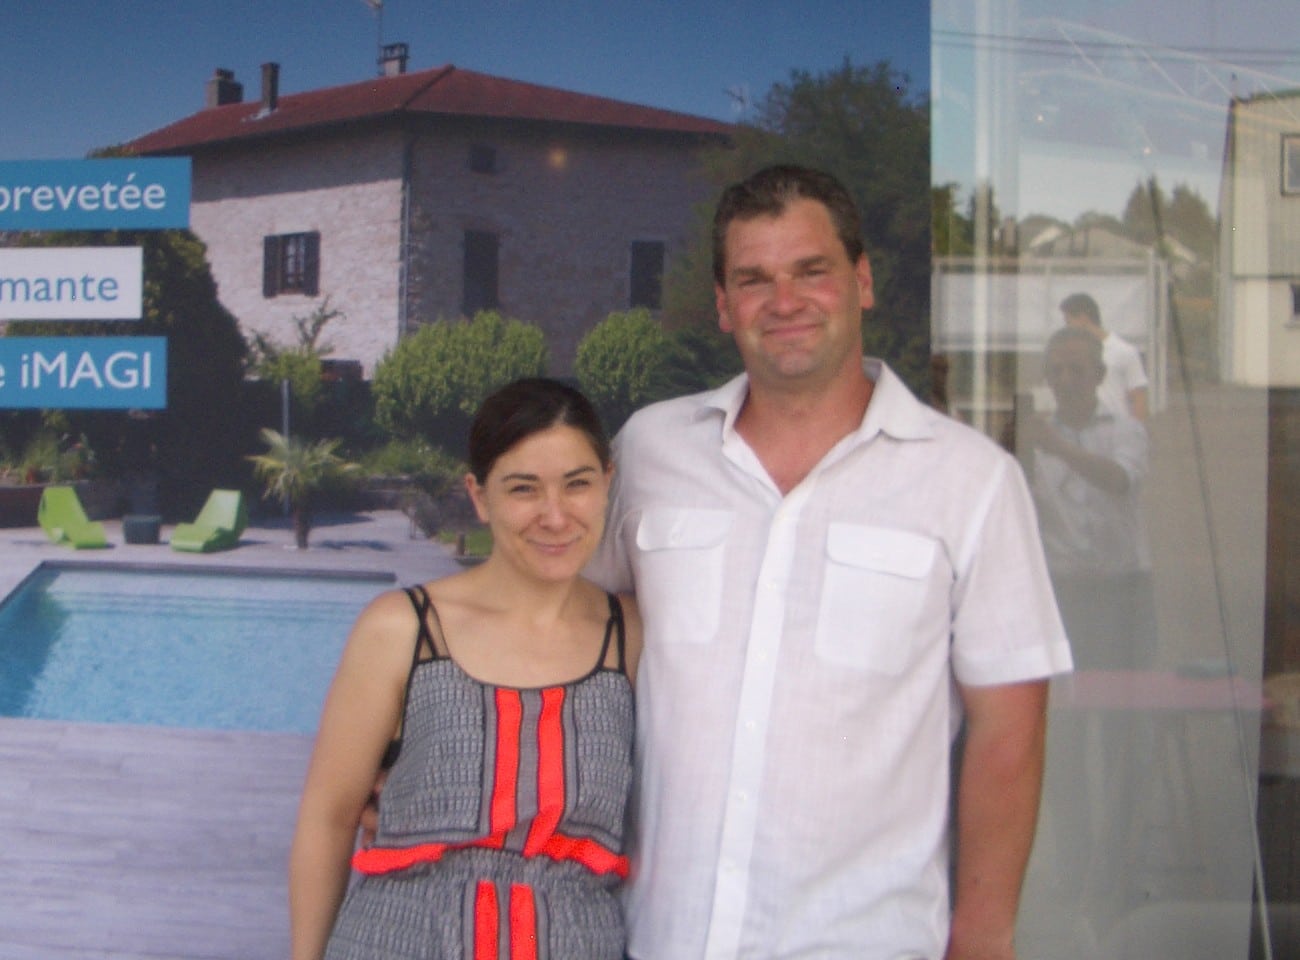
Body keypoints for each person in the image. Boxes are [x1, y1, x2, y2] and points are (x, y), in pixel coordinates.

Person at [588, 165, 1073, 960]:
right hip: (659, 936)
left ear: (862, 280)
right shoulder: (649, 449)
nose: (784, 302)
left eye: (811, 270)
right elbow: (558, 633)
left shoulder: (972, 480)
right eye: (753, 279)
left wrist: (983, 941)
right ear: (721, 304)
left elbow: (1008, 733)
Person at [289, 377, 642, 960]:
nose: (555, 516)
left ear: (607, 482)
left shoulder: (633, 637)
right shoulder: (403, 629)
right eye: (523, 489)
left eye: (576, 484)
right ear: (479, 496)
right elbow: (328, 819)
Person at [1021, 325, 1155, 671]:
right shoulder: (1031, 442)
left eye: (1076, 370)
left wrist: (1058, 448)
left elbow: (1119, 479)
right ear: (1047, 378)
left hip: (1121, 589)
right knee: (1065, 708)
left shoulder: (1127, 430)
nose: (1066, 380)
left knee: (1124, 704)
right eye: (1056, 371)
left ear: (1099, 375)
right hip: (1060, 591)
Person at [1059, 291, 1149, 421]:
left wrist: (1135, 435)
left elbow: (1139, 398)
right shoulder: (1071, 354)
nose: (1067, 328)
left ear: (1083, 318)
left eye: (1068, 321)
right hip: (1083, 432)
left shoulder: (1124, 351)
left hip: (1118, 432)